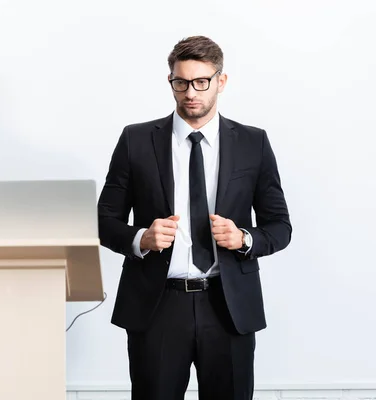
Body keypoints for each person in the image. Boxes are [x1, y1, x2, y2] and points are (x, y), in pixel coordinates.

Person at [97, 35, 292, 400]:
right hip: (157, 306)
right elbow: (104, 220)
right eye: (181, 82)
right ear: (170, 81)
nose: (191, 92)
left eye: (201, 82)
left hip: (228, 305)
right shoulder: (136, 140)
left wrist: (244, 239)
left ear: (221, 81)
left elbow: (280, 226)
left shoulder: (253, 143)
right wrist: (141, 239)